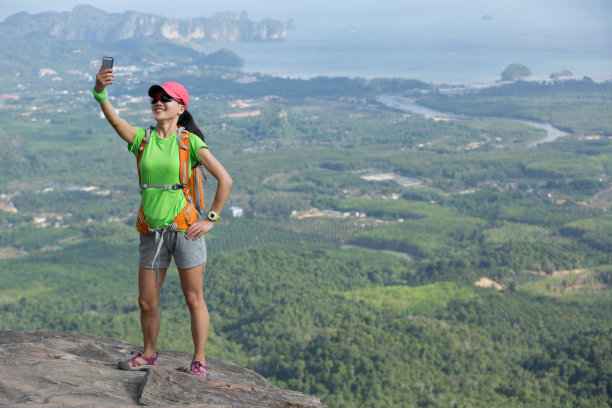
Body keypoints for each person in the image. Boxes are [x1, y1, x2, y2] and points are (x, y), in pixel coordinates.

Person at [93, 65, 232, 379]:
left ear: (181, 108)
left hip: (186, 230)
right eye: (155, 97)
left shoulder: (191, 142)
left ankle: (199, 361)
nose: (158, 101)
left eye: (166, 98)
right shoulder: (141, 139)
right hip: (151, 232)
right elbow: (114, 119)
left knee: (193, 298)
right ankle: (149, 354)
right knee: (146, 301)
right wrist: (100, 91)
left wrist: (210, 219)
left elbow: (225, 179)